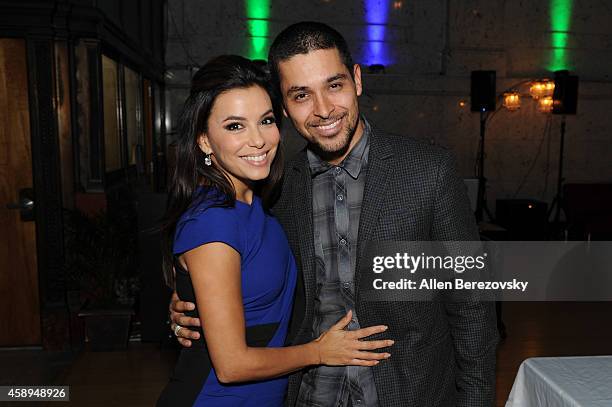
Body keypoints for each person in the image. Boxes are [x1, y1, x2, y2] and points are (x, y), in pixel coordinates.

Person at [171, 24, 499, 407]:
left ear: (357, 79)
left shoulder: (429, 171)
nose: (324, 109)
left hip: (409, 392)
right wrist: (187, 301)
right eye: (301, 95)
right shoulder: (276, 189)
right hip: (309, 394)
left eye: (334, 85)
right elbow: (236, 271)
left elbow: (471, 300)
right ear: (284, 106)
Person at [157, 55, 393, 407]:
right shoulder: (212, 220)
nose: (258, 140)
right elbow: (232, 365)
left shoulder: (260, 205)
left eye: (265, 121)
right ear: (205, 141)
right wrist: (319, 352)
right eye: (235, 126)